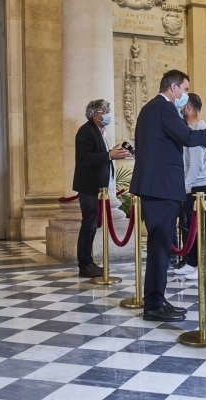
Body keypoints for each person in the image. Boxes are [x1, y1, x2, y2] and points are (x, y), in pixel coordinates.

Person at [129, 69, 206, 322]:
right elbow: (189, 137)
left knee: (160, 248)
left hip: (155, 187)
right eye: (185, 89)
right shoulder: (165, 108)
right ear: (173, 87)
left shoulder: (149, 109)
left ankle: (156, 299)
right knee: (159, 248)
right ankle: (154, 304)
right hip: (161, 188)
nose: (186, 95)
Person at [73, 99, 133, 278]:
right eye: (104, 110)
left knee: (92, 225)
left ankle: (89, 263)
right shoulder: (86, 131)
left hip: (98, 187)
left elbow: (99, 155)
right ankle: (84, 265)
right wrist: (109, 155)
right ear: (95, 115)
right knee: (88, 226)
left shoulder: (99, 130)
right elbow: (85, 158)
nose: (108, 112)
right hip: (89, 186)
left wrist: (111, 153)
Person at [172, 93, 206, 280]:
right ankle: (191, 263)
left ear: (188, 107)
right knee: (191, 226)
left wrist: (187, 185)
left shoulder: (198, 129)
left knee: (201, 227)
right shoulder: (192, 127)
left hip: (198, 185)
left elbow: (195, 163)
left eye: (182, 104)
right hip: (193, 184)